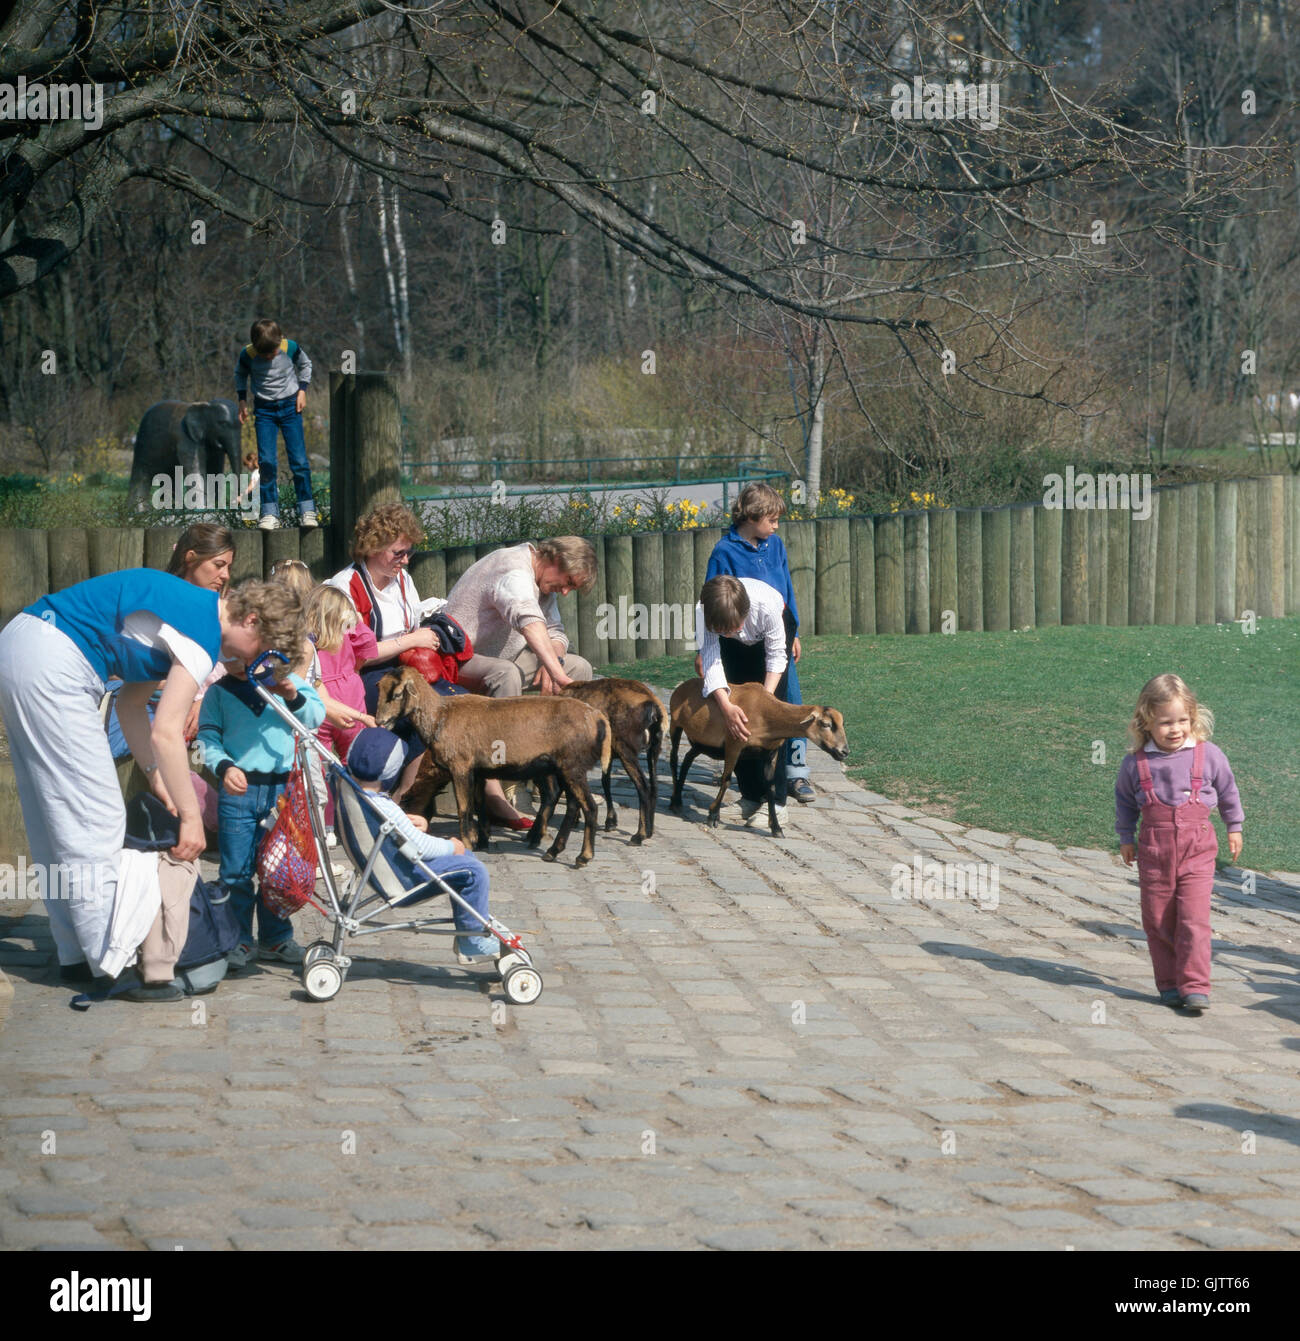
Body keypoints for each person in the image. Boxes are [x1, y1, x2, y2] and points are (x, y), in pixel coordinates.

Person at [0, 572, 302, 983]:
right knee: (98, 819)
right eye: (261, 651)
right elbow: (166, 732)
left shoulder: (186, 613)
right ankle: (111, 963)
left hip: (22, 640)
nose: (254, 664)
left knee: (50, 813)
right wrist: (193, 819)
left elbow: (130, 704)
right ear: (250, 619)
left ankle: (73, 951)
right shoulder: (203, 634)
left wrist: (157, 779)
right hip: (56, 660)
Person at [327, 504, 529, 827]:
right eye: (399, 553)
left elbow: (412, 627)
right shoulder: (345, 587)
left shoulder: (402, 580)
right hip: (367, 674)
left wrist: (421, 639)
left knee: (462, 704)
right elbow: (355, 655)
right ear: (374, 546)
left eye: (408, 552)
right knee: (426, 712)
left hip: (408, 667)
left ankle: (488, 794)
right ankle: (403, 802)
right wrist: (410, 641)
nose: (405, 560)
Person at [196, 629, 325, 969]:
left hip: (280, 792)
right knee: (236, 871)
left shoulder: (287, 683)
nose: (237, 663)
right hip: (237, 791)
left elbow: (315, 718)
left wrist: (291, 693)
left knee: (276, 869)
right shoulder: (219, 693)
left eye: (245, 656)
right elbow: (208, 735)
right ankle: (237, 939)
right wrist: (223, 766)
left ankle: (275, 938)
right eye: (228, 657)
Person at [1115, 673, 1244, 1014]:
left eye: (1182, 720)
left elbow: (1229, 792)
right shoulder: (1136, 763)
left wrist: (1235, 826)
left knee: (1194, 919)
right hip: (1154, 851)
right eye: (1165, 722)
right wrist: (1125, 837)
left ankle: (1195, 986)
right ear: (1146, 722)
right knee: (1157, 919)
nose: (1175, 729)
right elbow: (1125, 803)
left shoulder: (1209, 755)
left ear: (1194, 717)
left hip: (1197, 850)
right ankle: (1169, 984)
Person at [347, 727, 499, 964]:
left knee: (467, 860)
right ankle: (471, 939)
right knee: (474, 871)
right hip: (406, 879)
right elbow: (421, 847)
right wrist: (451, 845)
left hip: (386, 869)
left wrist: (419, 824)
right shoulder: (384, 807)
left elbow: (401, 832)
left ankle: (472, 923)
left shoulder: (355, 797)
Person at [705, 482, 813, 803]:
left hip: (778, 624)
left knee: (789, 697)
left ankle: (796, 770)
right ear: (752, 516)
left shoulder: (775, 545)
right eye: (772, 520)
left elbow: (787, 586)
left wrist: (793, 631)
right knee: (747, 699)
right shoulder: (724, 552)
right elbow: (715, 597)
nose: (776, 526)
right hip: (740, 632)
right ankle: (751, 768)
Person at [443, 536, 596, 698]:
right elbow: (528, 621)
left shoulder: (543, 581)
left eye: (572, 588)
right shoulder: (513, 568)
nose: (565, 592)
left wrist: (555, 660)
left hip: (501, 659)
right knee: (506, 673)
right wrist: (556, 673)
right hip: (457, 660)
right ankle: (508, 724)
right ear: (558, 559)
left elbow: (555, 632)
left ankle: (557, 723)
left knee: (579, 667)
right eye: (569, 581)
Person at [696, 574, 791, 826]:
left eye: (735, 626)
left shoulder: (766, 607)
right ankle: (749, 796)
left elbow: (776, 655)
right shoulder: (702, 613)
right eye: (723, 630)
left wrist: (765, 700)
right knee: (736, 720)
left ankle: (777, 802)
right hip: (732, 649)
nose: (732, 632)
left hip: (769, 642)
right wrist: (726, 706)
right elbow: (711, 659)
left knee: (772, 723)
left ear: (745, 614)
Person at [234, 317, 316, 531]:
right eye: (265, 354)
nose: (269, 357)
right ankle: (270, 512)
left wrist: (302, 390)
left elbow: (305, 365)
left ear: (279, 341)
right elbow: (240, 374)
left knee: (298, 460)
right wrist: (242, 399)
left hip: (291, 406)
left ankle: (307, 509)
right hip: (264, 411)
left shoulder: (290, 347)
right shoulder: (248, 354)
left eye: (272, 352)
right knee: (267, 462)